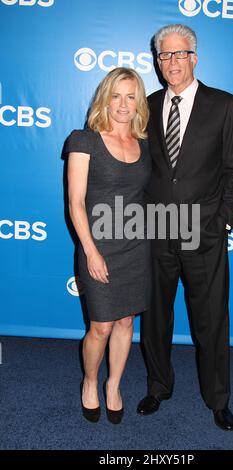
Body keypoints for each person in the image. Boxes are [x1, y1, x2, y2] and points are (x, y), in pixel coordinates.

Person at [137, 24, 233, 431]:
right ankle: (158, 387)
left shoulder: (224, 105)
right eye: (164, 55)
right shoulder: (146, 106)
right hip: (155, 231)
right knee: (155, 318)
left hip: (204, 231)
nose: (171, 62)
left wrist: (224, 220)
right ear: (158, 61)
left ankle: (218, 399)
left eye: (179, 54)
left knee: (211, 320)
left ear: (194, 58)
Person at [66, 67, 151, 424]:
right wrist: (91, 251)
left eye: (131, 97)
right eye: (116, 95)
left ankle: (113, 385)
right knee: (100, 326)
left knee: (126, 322)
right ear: (105, 98)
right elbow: (76, 203)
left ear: (139, 103)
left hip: (136, 248)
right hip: (98, 246)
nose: (123, 104)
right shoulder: (83, 141)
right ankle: (89, 382)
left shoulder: (144, 144)